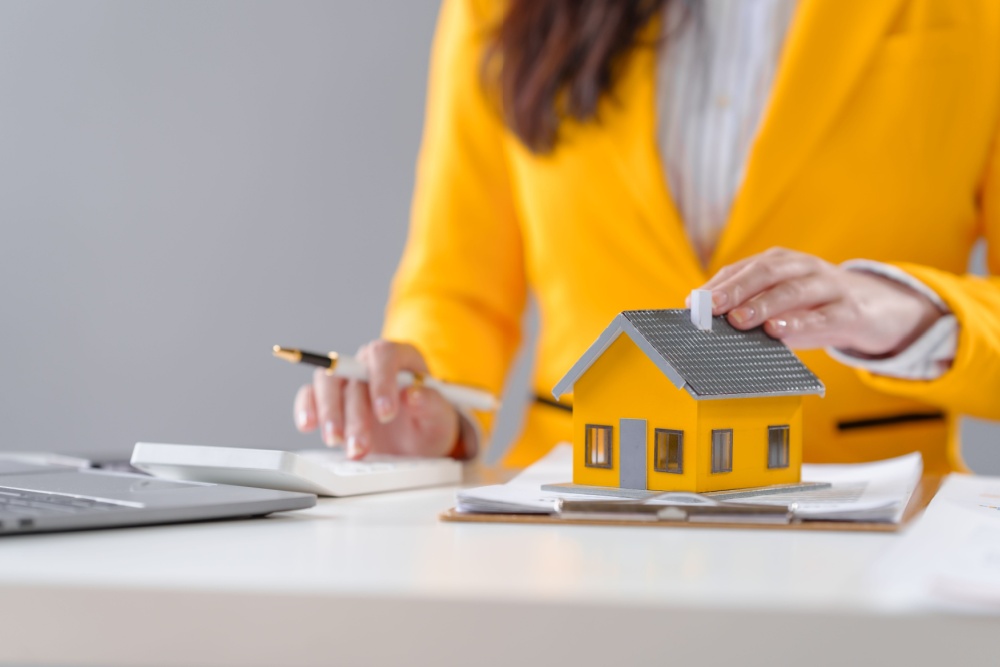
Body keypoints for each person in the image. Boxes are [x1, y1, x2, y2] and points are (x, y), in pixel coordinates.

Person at [294, 0, 1000, 474]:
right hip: (570, 521)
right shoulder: (497, 10)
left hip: (865, 532)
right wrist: (433, 404)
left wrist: (911, 310)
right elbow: (455, 286)